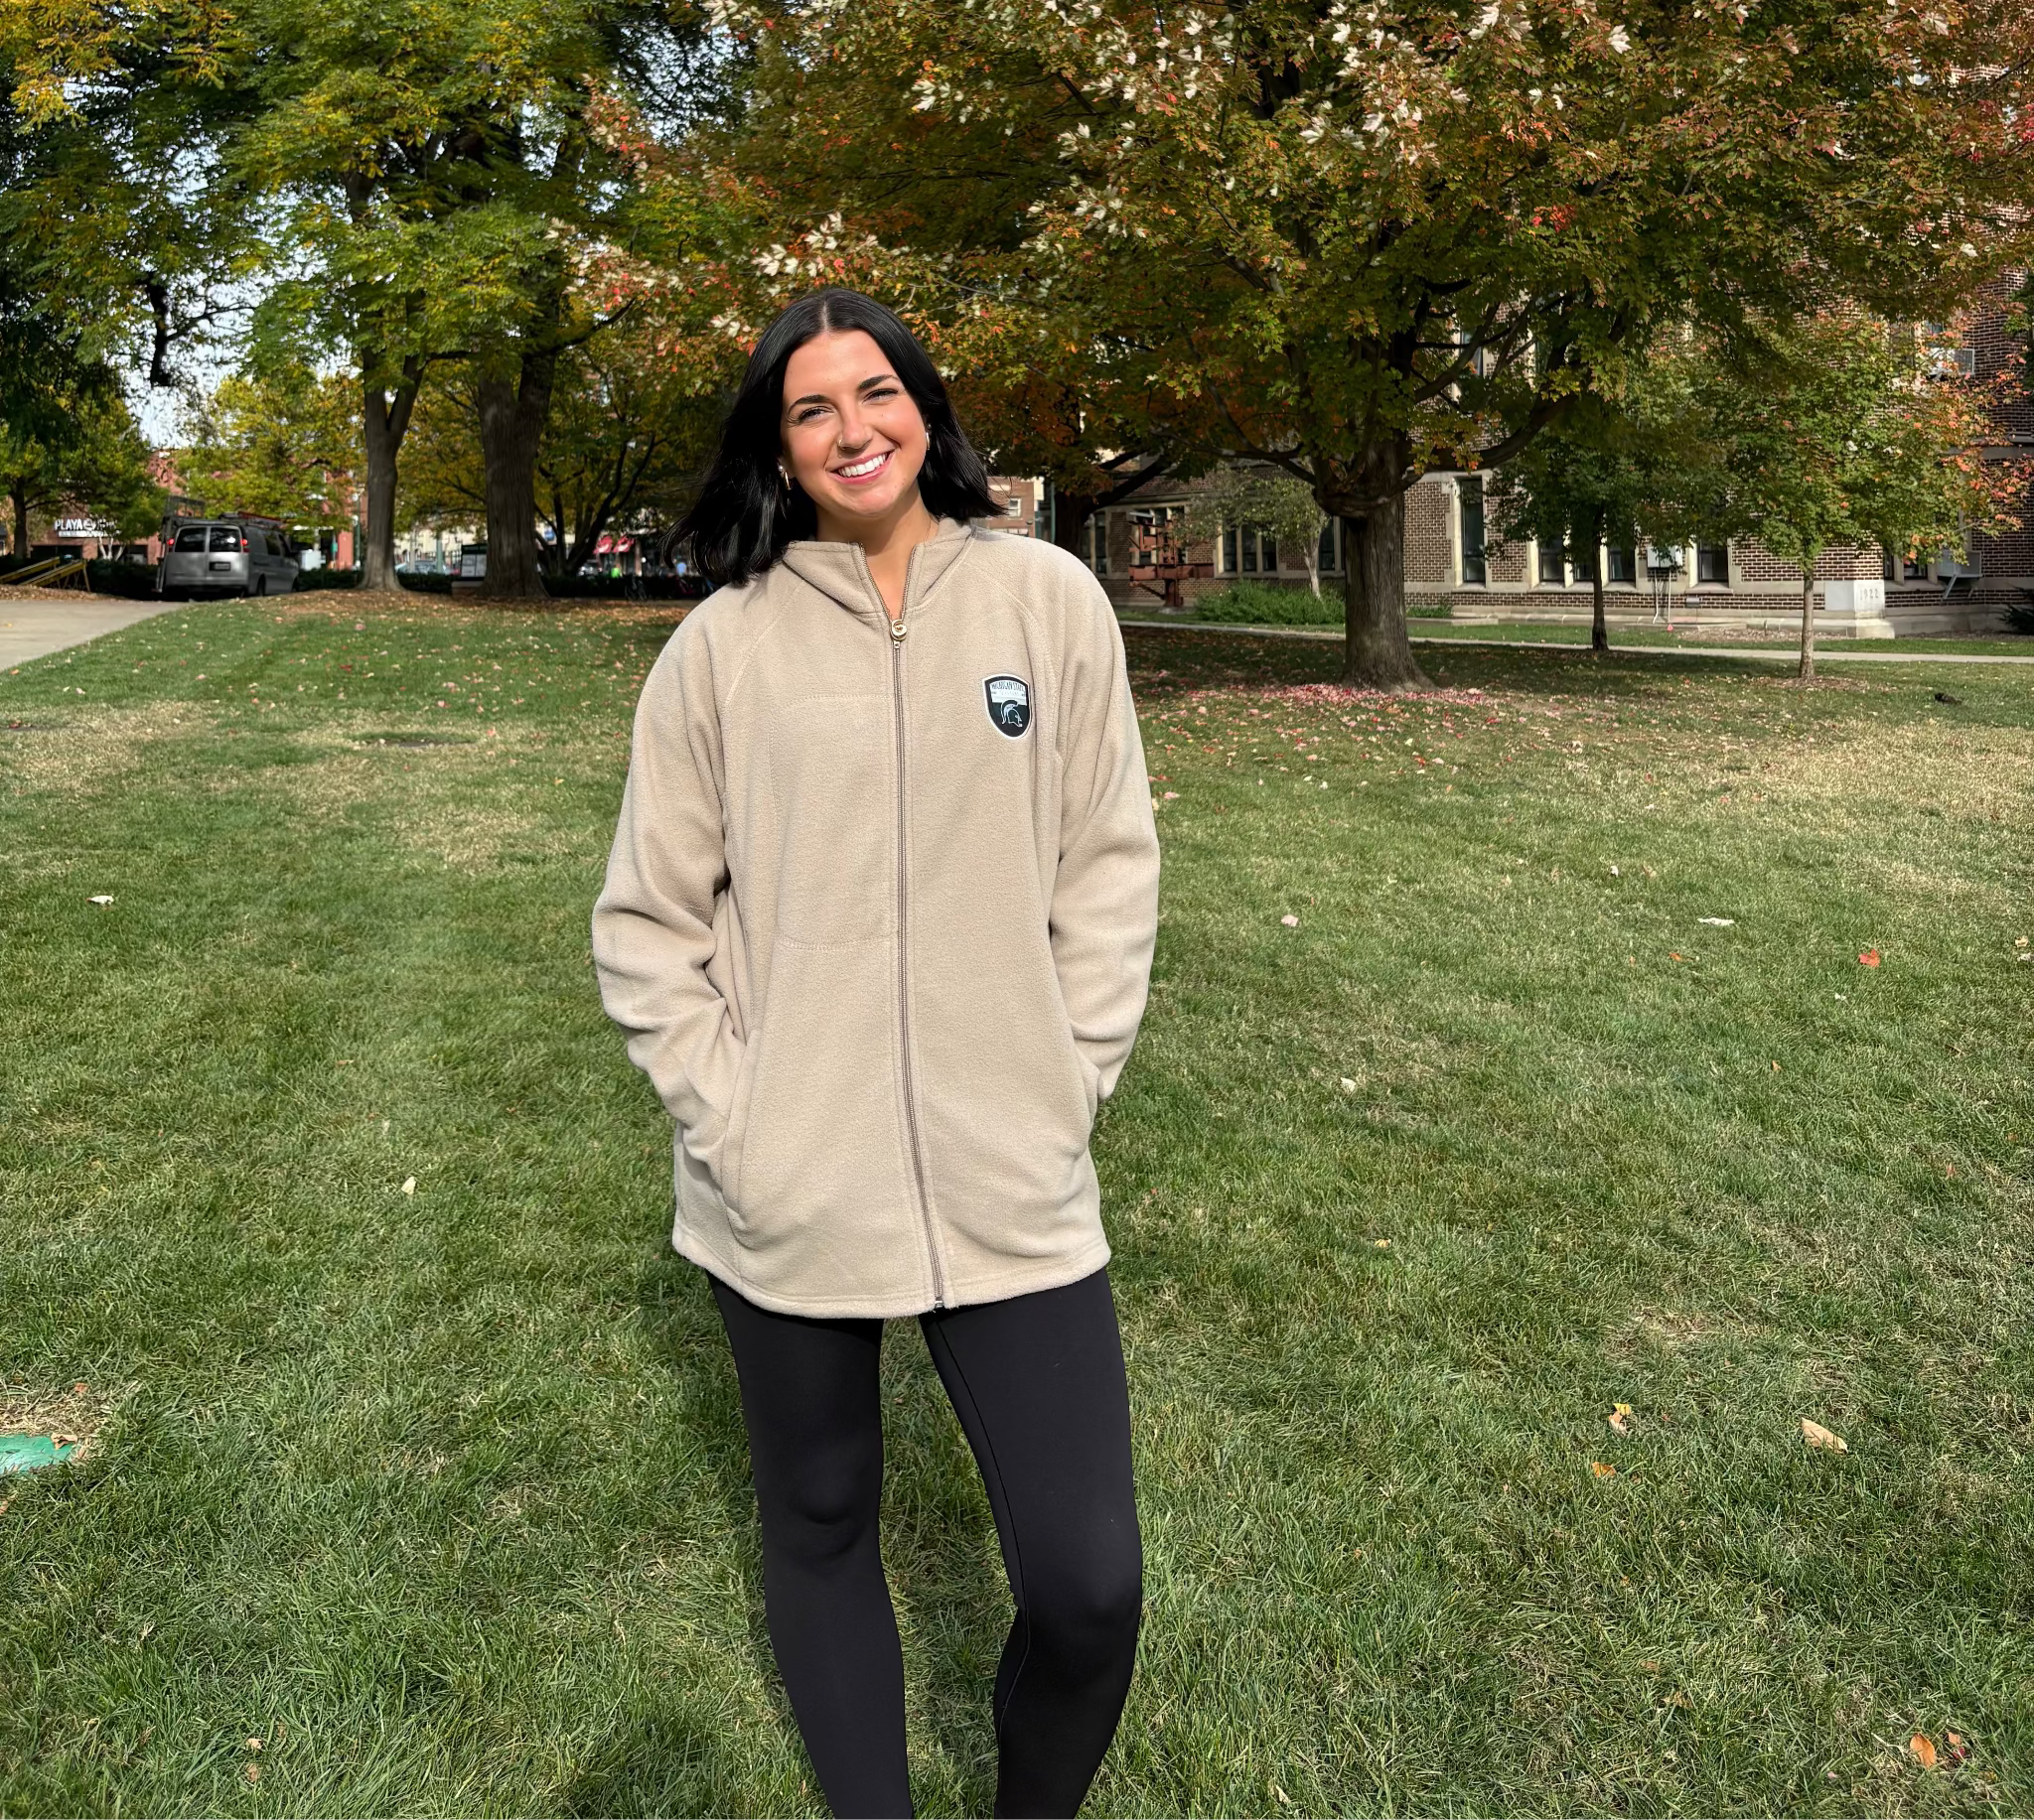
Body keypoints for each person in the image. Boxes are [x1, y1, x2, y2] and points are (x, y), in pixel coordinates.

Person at [591, 289, 1162, 1819]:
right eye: (813, 408)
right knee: (825, 1515)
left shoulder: (1047, 607)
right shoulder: (722, 649)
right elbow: (649, 920)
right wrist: (738, 1118)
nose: (855, 430)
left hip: (1012, 1171)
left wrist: (1069, 1077)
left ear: (925, 404)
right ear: (778, 445)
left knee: (1092, 1586)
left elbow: (1109, 867)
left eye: (877, 392)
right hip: (790, 1180)